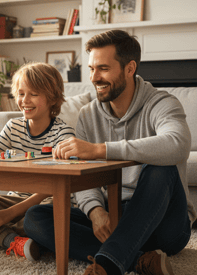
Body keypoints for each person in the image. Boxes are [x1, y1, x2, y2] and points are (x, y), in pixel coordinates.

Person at [23, 29, 197, 275]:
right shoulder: (88, 114)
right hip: (115, 213)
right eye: (92, 68)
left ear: (129, 68)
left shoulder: (162, 103)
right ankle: (139, 260)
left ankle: (108, 264)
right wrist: (95, 212)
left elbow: (177, 143)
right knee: (35, 217)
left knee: (161, 168)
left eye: (103, 68)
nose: (94, 77)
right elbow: (80, 174)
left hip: (165, 226)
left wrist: (100, 150)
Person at [0, 62, 75, 261]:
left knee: (41, 218)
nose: (24, 100)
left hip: (44, 203)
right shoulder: (12, 127)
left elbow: (55, 186)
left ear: (52, 98)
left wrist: (9, 213)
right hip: (13, 198)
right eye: (21, 93)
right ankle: (10, 239)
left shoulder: (64, 134)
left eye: (33, 94)